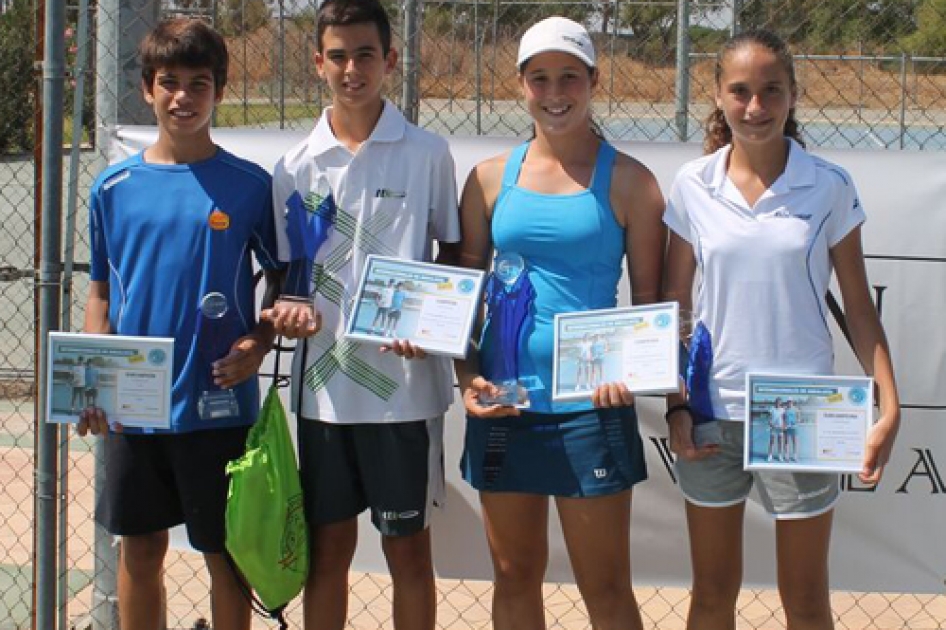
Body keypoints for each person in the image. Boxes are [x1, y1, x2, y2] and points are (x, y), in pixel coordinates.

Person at [662, 29, 900, 630]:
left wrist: (889, 405)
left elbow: (857, 303)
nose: (755, 107)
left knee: (807, 601)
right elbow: (675, 304)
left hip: (802, 410)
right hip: (712, 411)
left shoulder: (829, 185)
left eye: (771, 91)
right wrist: (676, 403)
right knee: (712, 596)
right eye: (740, 92)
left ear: (793, 95)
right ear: (717, 96)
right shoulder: (694, 185)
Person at [455, 17, 665, 630]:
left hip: (589, 414)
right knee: (515, 577)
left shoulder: (632, 182)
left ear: (594, 80)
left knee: (604, 587)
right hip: (504, 407)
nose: (555, 92)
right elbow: (464, 294)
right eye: (539, 78)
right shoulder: (490, 178)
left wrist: (628, 370)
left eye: (569, 76)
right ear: (521, 85)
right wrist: (466, 376)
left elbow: (651, 307)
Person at [77, 18, 282, 630]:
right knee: (141, 552)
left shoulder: (249, 185)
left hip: (218, 402)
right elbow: (100, 294)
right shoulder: (112, 187)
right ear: (147, 88)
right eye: (169, 82)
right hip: (133, 408)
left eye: (199, 83)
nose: (182, 97)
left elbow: (283, 283)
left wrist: (260, 341)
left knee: (226, 555)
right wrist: (93, 380)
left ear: (219, 90)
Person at [261, 0, 460, 627]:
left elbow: (452, 258)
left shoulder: (428, 153)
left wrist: (433, 324)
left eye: (365, 55)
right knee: (328, 552)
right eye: (338, 56)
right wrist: (283, 313)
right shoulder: (294, 165)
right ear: (319, 63)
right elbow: (284, 279)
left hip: (402, 394)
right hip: (323, 394)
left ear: (390, 61)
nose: (353, 69)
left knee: (407, 552)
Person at [766, 397, 784, 462]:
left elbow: (783, 418)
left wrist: (783, 426)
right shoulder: (772, 409)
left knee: (780, 442)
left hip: (780, 428)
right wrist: (771, 424)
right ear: (775, 402)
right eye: (777, 402)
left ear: (781, 403)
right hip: (773, 427)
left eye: (779, 402)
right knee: (772, 442)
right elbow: (769, 418)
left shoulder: (782, 409)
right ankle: (770, 455)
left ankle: (780, 455)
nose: (778, 403)